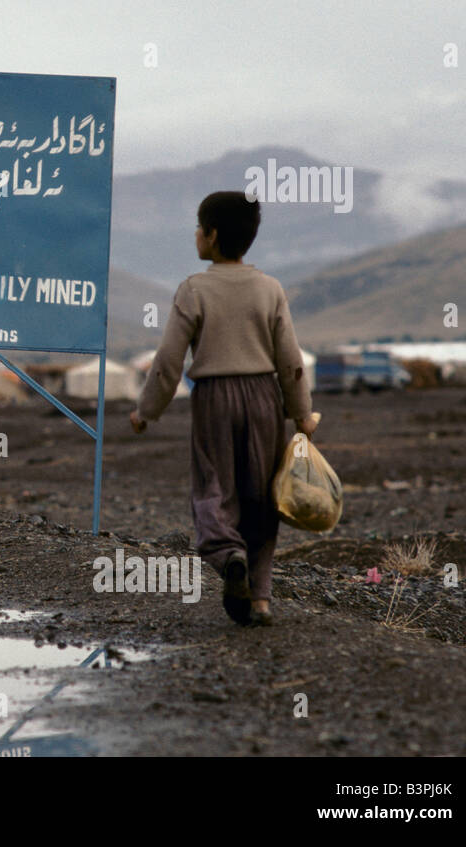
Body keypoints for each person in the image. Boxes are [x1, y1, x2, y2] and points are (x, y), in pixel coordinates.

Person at [130, 191, 318, 627]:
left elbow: (168, 362)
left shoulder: (194, 290)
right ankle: (260, 599)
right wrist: (302, 415)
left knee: (214, 488)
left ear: (212, 237)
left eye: (199, 227)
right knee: (263, 496)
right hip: (265, 399)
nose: (196, 234)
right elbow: (290, 361)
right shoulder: (270, 289)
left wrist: (147, 411)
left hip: (213, 398)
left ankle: (227, 554)